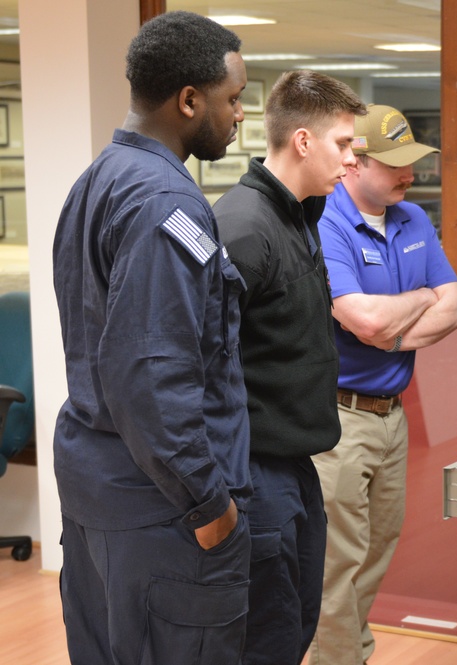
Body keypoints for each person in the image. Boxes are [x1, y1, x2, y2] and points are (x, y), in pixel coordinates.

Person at [52, 12, 252, 665]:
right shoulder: (166, 201)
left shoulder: (97, 179)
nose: (241, 115)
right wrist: (208, 505)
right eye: (233, 99)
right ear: (188, 100)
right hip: (163, 515)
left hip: (101, 496)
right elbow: (149, 373)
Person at [212, 70, 366, 665]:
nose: (353, 160)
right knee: (267, 640)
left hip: (296, 465)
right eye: (344, 145)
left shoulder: (301, 214)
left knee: (299, 623)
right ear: (303, 141)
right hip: (254, 473)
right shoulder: (243, 227)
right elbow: (203, 365)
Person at [309, 104, 457, 665]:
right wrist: (416, 303)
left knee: (376, 553)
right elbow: (364, 321)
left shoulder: (413, 219)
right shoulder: (325, 221)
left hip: (393, 416)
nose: (411, 174)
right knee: (336, 564)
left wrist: (398, 326)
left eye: (413, 162)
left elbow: (455, 308)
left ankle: (351, 652)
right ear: (354, 162)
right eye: (395, 164)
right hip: (340, 419)